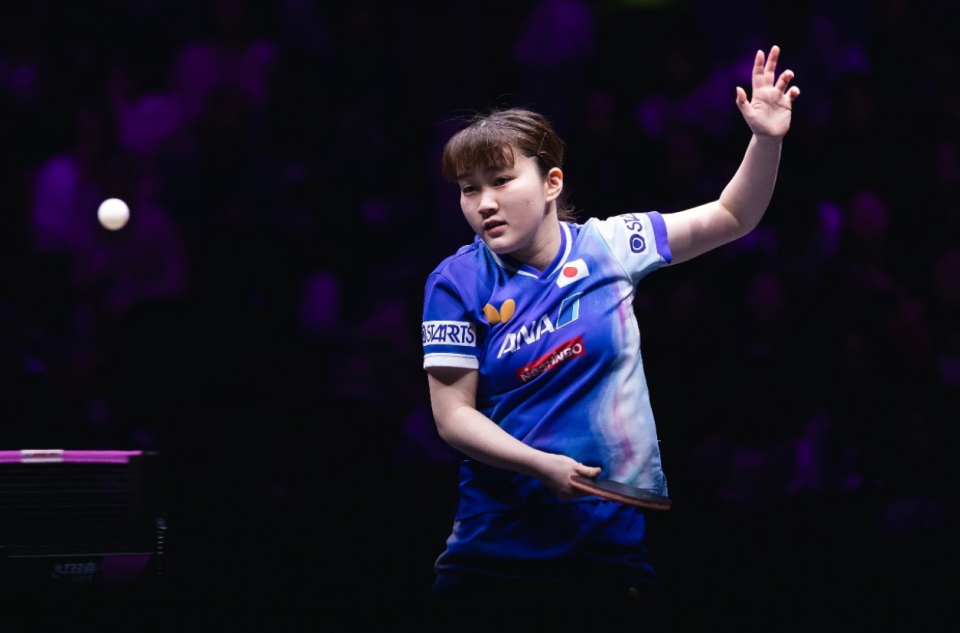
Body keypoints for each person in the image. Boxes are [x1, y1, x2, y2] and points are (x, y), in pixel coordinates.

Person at [421, 46, 799, 629]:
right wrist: (542, 466)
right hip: (492, 551)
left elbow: (732, 216)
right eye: (469, 189)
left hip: (606, 547)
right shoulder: (456, 282)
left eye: (500, 180)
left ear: (551, 182)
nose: (484, 203)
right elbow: (453, 417)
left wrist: (765, 141)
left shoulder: (611, 246)